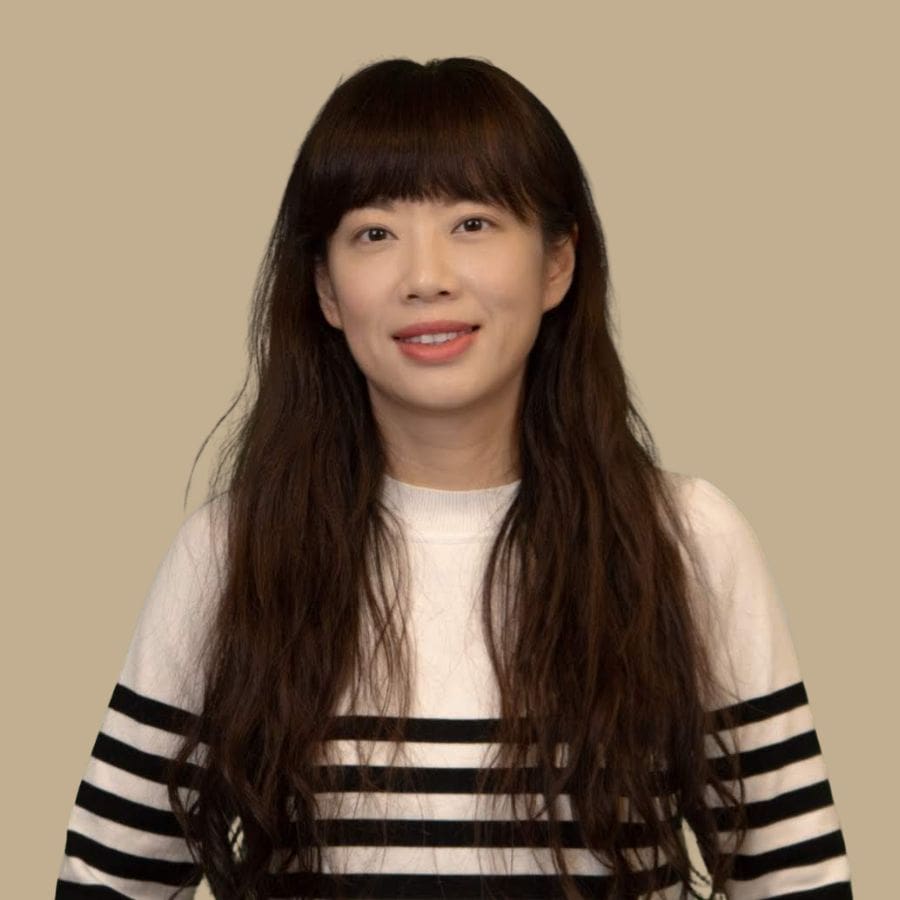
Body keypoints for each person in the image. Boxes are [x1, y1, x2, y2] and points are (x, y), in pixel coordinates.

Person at [55, 56, 853, 899]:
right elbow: (108, 884)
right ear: (327, 289)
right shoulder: (232, 550)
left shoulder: (683, 538)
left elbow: (795, 881)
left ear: (557, 263)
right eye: (375, 233)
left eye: (472, 223)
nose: (426, 276)